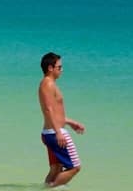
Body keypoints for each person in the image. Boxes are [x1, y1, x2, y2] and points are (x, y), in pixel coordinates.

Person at [37, 52, 87, 188]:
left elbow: (55, 112)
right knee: (75, 167)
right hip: (55, 133)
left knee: (56, 168)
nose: (62, 70)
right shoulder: (47, 84)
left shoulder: (49, 84)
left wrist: (71, 122)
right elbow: (48, 110)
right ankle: (52, 189)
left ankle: (45, 188)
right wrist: (58, 132)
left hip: (51, 132)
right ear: (50, 68)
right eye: (59, 67)